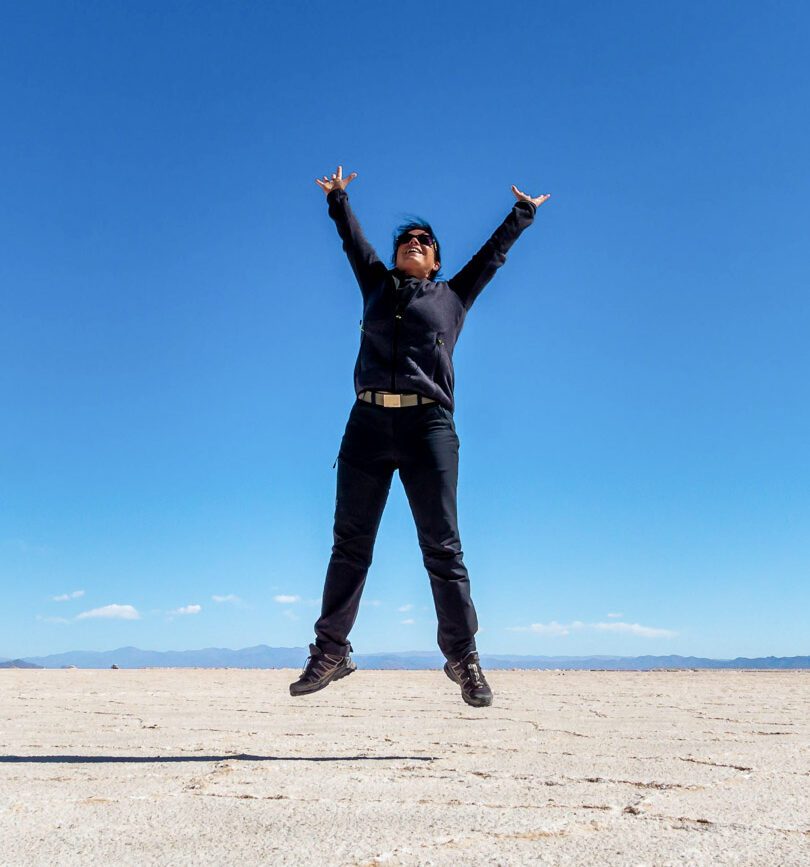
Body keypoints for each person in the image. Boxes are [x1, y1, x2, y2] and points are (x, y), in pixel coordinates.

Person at [289, 166, 550, 706]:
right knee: (350, 546)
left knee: (442, 547)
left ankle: (463, 658)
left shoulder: (453, 296)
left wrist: (521, 213)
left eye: (424, 241)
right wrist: (338, 199)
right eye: (406, 240)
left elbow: (492, 257)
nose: (413, 243)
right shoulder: (377, 286)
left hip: (428, 425)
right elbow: (353, 244)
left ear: (435, 260)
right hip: (366, 424)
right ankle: (331, 651)